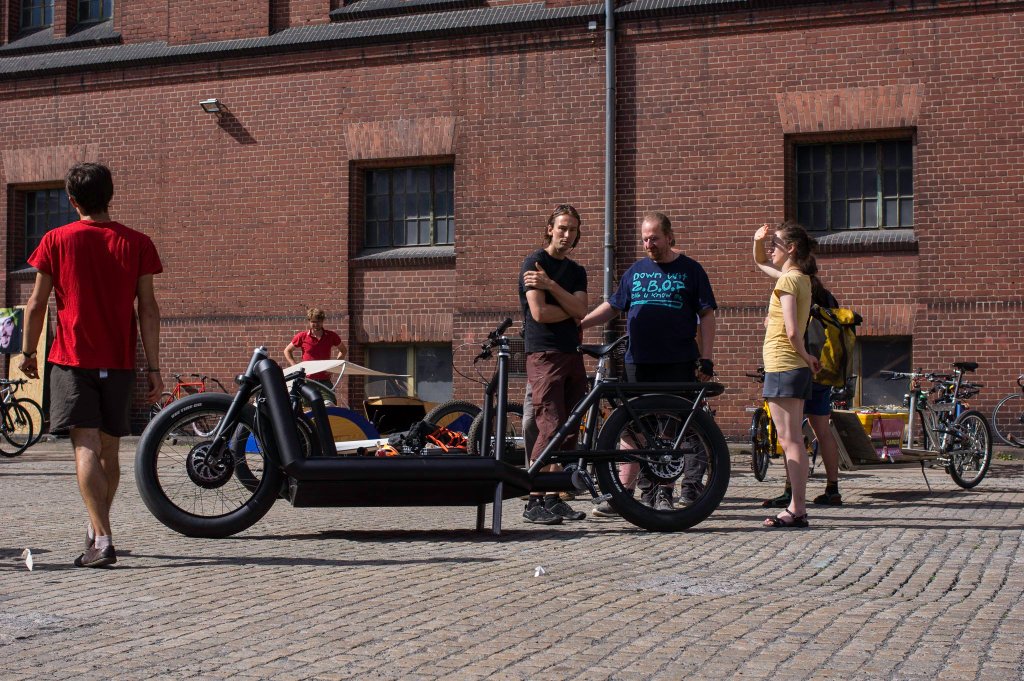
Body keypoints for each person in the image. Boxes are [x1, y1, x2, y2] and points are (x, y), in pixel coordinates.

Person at [20, 162, 163, 568]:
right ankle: (97, 525)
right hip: (118, 362)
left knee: (84, 445)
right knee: (111, 449)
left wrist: (28, 353)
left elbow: (35, 304)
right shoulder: (137, 243)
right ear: (111, 194)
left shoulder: (55, 239)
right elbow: (148, 309)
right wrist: (153, 367)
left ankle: (102, 540)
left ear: (71, 199)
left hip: (72, 359)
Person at [580, 212, 717, 515]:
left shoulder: (691, 270)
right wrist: (581, 323)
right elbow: (613, 306)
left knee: (670, 431)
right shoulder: (636, 271)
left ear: (670, 236)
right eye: (645, 238)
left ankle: (665, 492)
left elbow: (707, 315)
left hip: (678, 360)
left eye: (654, 238)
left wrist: (706, 357)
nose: (649, 244)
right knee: (637, 429)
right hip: (638, 362)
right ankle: (642, 492)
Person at [518, 204, 589, 524]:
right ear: (550, 228)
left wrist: (551, 287)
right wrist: (570, 307)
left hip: (573, 353)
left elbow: (583, 311)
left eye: (572, 229)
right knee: (551, 424)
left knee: (571, 427)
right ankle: (533, 499)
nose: (566, 234)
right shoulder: (534, 263)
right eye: (562, 228)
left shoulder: (576, 271)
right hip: (544, 354)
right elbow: (540, 314)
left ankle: (554, 496)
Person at [752, 220, 819, 528]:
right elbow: (760, 261)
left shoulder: (787, 282)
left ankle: (797, 508)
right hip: (792, 366)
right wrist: (758, 240)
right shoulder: (799, 279)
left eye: (775, 244)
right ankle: (798, 507)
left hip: (784, 363)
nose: (770, 249)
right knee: (792, 438)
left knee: (789, 439)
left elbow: (793, 331)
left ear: (790, 248)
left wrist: (805, 355)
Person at [762, 263, 845, 509]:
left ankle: (792, 493)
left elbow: (790, 330)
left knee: (791, 434)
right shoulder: (824, 295)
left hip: (798, 364)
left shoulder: (797, 289)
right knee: (821, 429)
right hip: (823, 368)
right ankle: (832, 487)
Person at [284, 307, 346, 384]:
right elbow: (287, 351)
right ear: (309, 321)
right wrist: (295, 367)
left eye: (318, 322)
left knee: (330, 397)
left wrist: (335, 367)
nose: (316, 324)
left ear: (322, 321)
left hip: (324, 380)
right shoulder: (302, 336)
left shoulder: (331, 336)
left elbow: (343, 350)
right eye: (313, 322)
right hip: (307, 380)